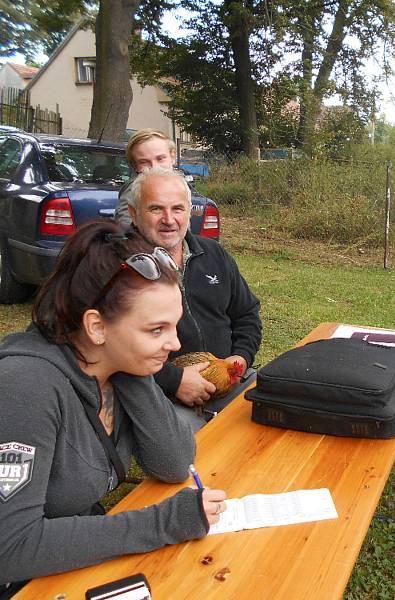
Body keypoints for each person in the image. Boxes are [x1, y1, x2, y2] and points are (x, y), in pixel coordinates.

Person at [0, 221, 227, 598]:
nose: (174, 343)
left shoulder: (112, 364)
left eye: (174, 325)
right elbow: (11, 547)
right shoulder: (25, 386)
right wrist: (163, 522)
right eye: (156, 329)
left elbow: (173, 462)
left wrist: (134, 365)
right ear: (96, 326)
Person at [127, 166, 262, 432]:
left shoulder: (214, 254)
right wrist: (174, 380)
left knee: (276, 418)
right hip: (162, 394)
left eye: (178, 209)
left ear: (190, 212)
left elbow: (247, 313)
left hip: (229, 382)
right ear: (134, 214)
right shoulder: (124, 268)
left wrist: (238, 360)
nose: (169, 219)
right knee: (190, 459)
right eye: (156, 209)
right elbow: (116, 345)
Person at [114, 128, 178, 227]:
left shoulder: (179, 185)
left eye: (160, 158)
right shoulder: (135, 189)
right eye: (144, 162)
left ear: (173, 157)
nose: (154, 167)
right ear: (135, 166)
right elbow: (125, 228)